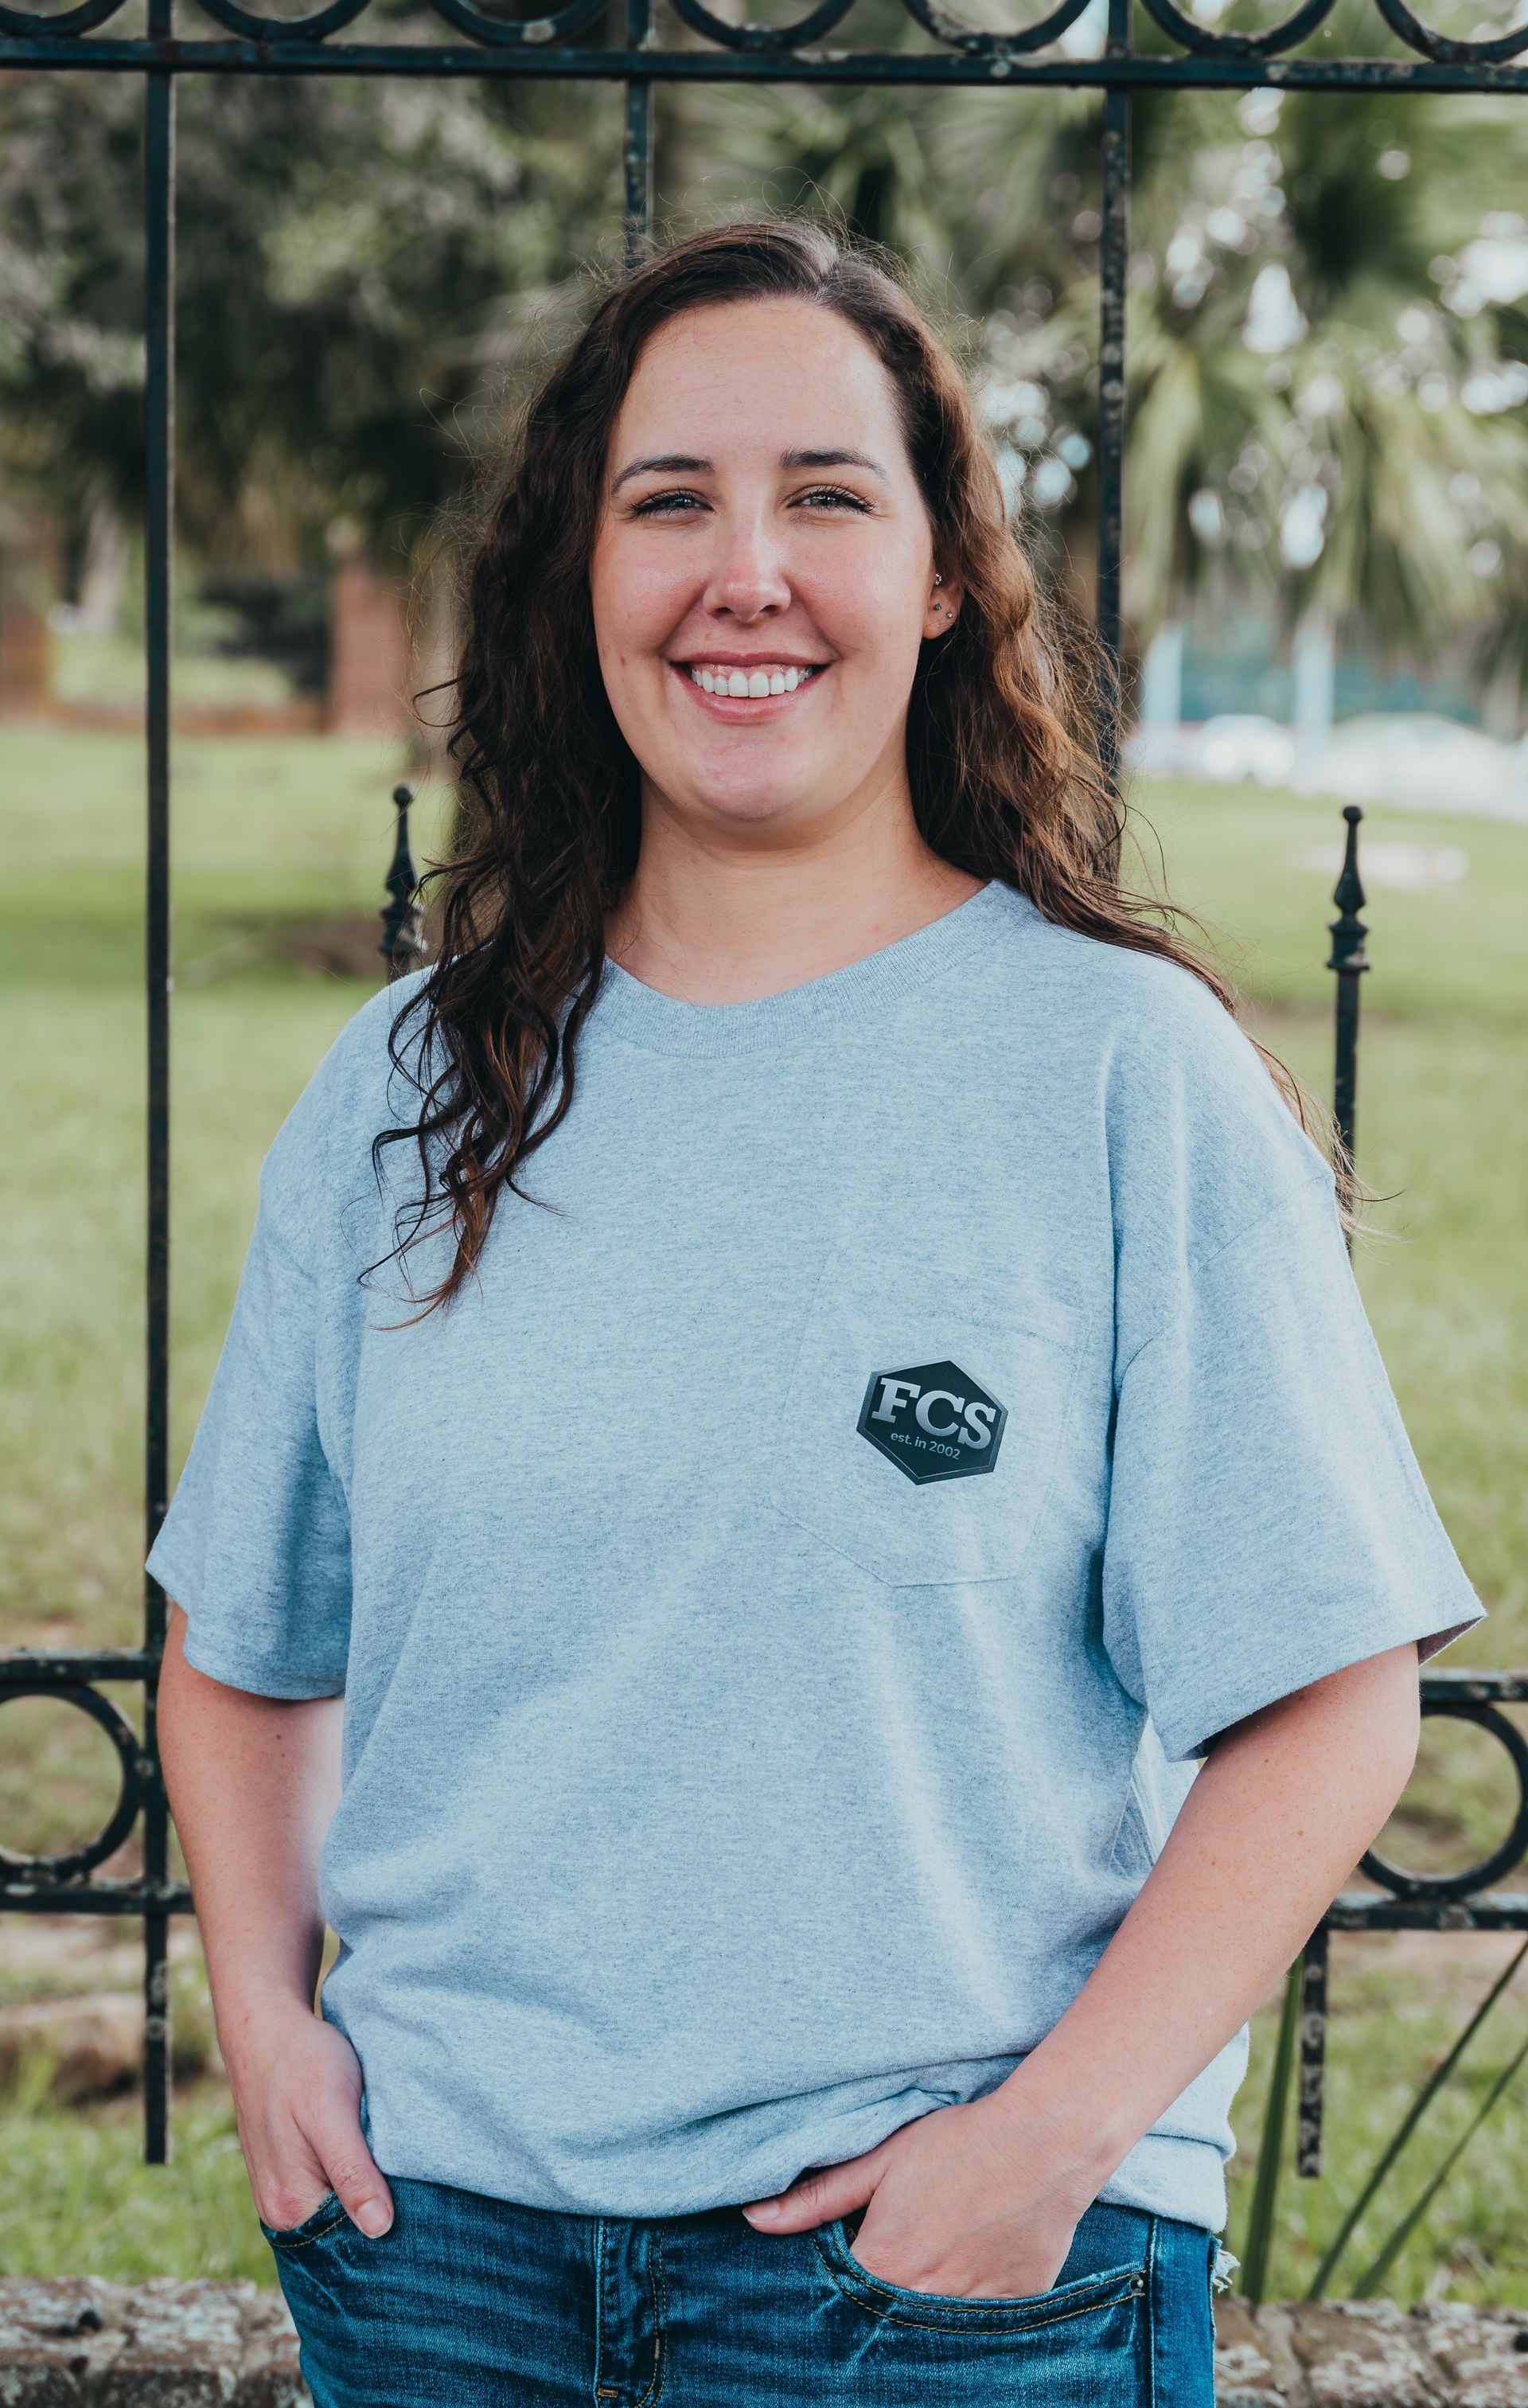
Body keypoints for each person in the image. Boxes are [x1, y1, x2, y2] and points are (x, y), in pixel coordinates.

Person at [150, 219, 1483, 2408]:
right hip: (442, 2259)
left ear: (945, 576)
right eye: (668, 501)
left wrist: (1044, 2152)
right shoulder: (404, 1085)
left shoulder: (1115, 1072)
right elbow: (240, 1639)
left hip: (941, 2284)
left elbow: (1333, 1701)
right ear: (581, 578)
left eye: (827, 498)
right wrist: (274, 2029)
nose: (741, 571)